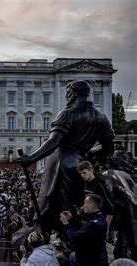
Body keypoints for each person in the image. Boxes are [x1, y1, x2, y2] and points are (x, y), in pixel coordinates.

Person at [20, 80, 114, 233]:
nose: (67, 97)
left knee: (53, 202)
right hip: (82, 162)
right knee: (78, 201)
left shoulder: (67, 113)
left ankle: (64, 238)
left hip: (63, 161)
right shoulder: (101, 118)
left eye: (68, 93)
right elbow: (108, 148)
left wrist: (31, 158)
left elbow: (54, 141)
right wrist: (89, 154)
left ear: (74, 94)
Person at [60, 194, 108, 266]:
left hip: (91, 261)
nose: (83, 206)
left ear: (91, 206)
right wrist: (71, 219)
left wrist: (65, 223)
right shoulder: (100, 218)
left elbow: (74, 238)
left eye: (85, 203)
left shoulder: (93, 224)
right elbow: (83, 228)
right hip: (98, 256)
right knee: (73, 256)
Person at [77, 160, 114, 227]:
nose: (82, 176)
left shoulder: (99, 184)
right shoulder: (86, 184)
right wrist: (83, 208)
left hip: (100, 221)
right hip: (90, 221)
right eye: (80, 173)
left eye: (84, 172)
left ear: (91, 171)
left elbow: (110, 208)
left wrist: (106, 227)